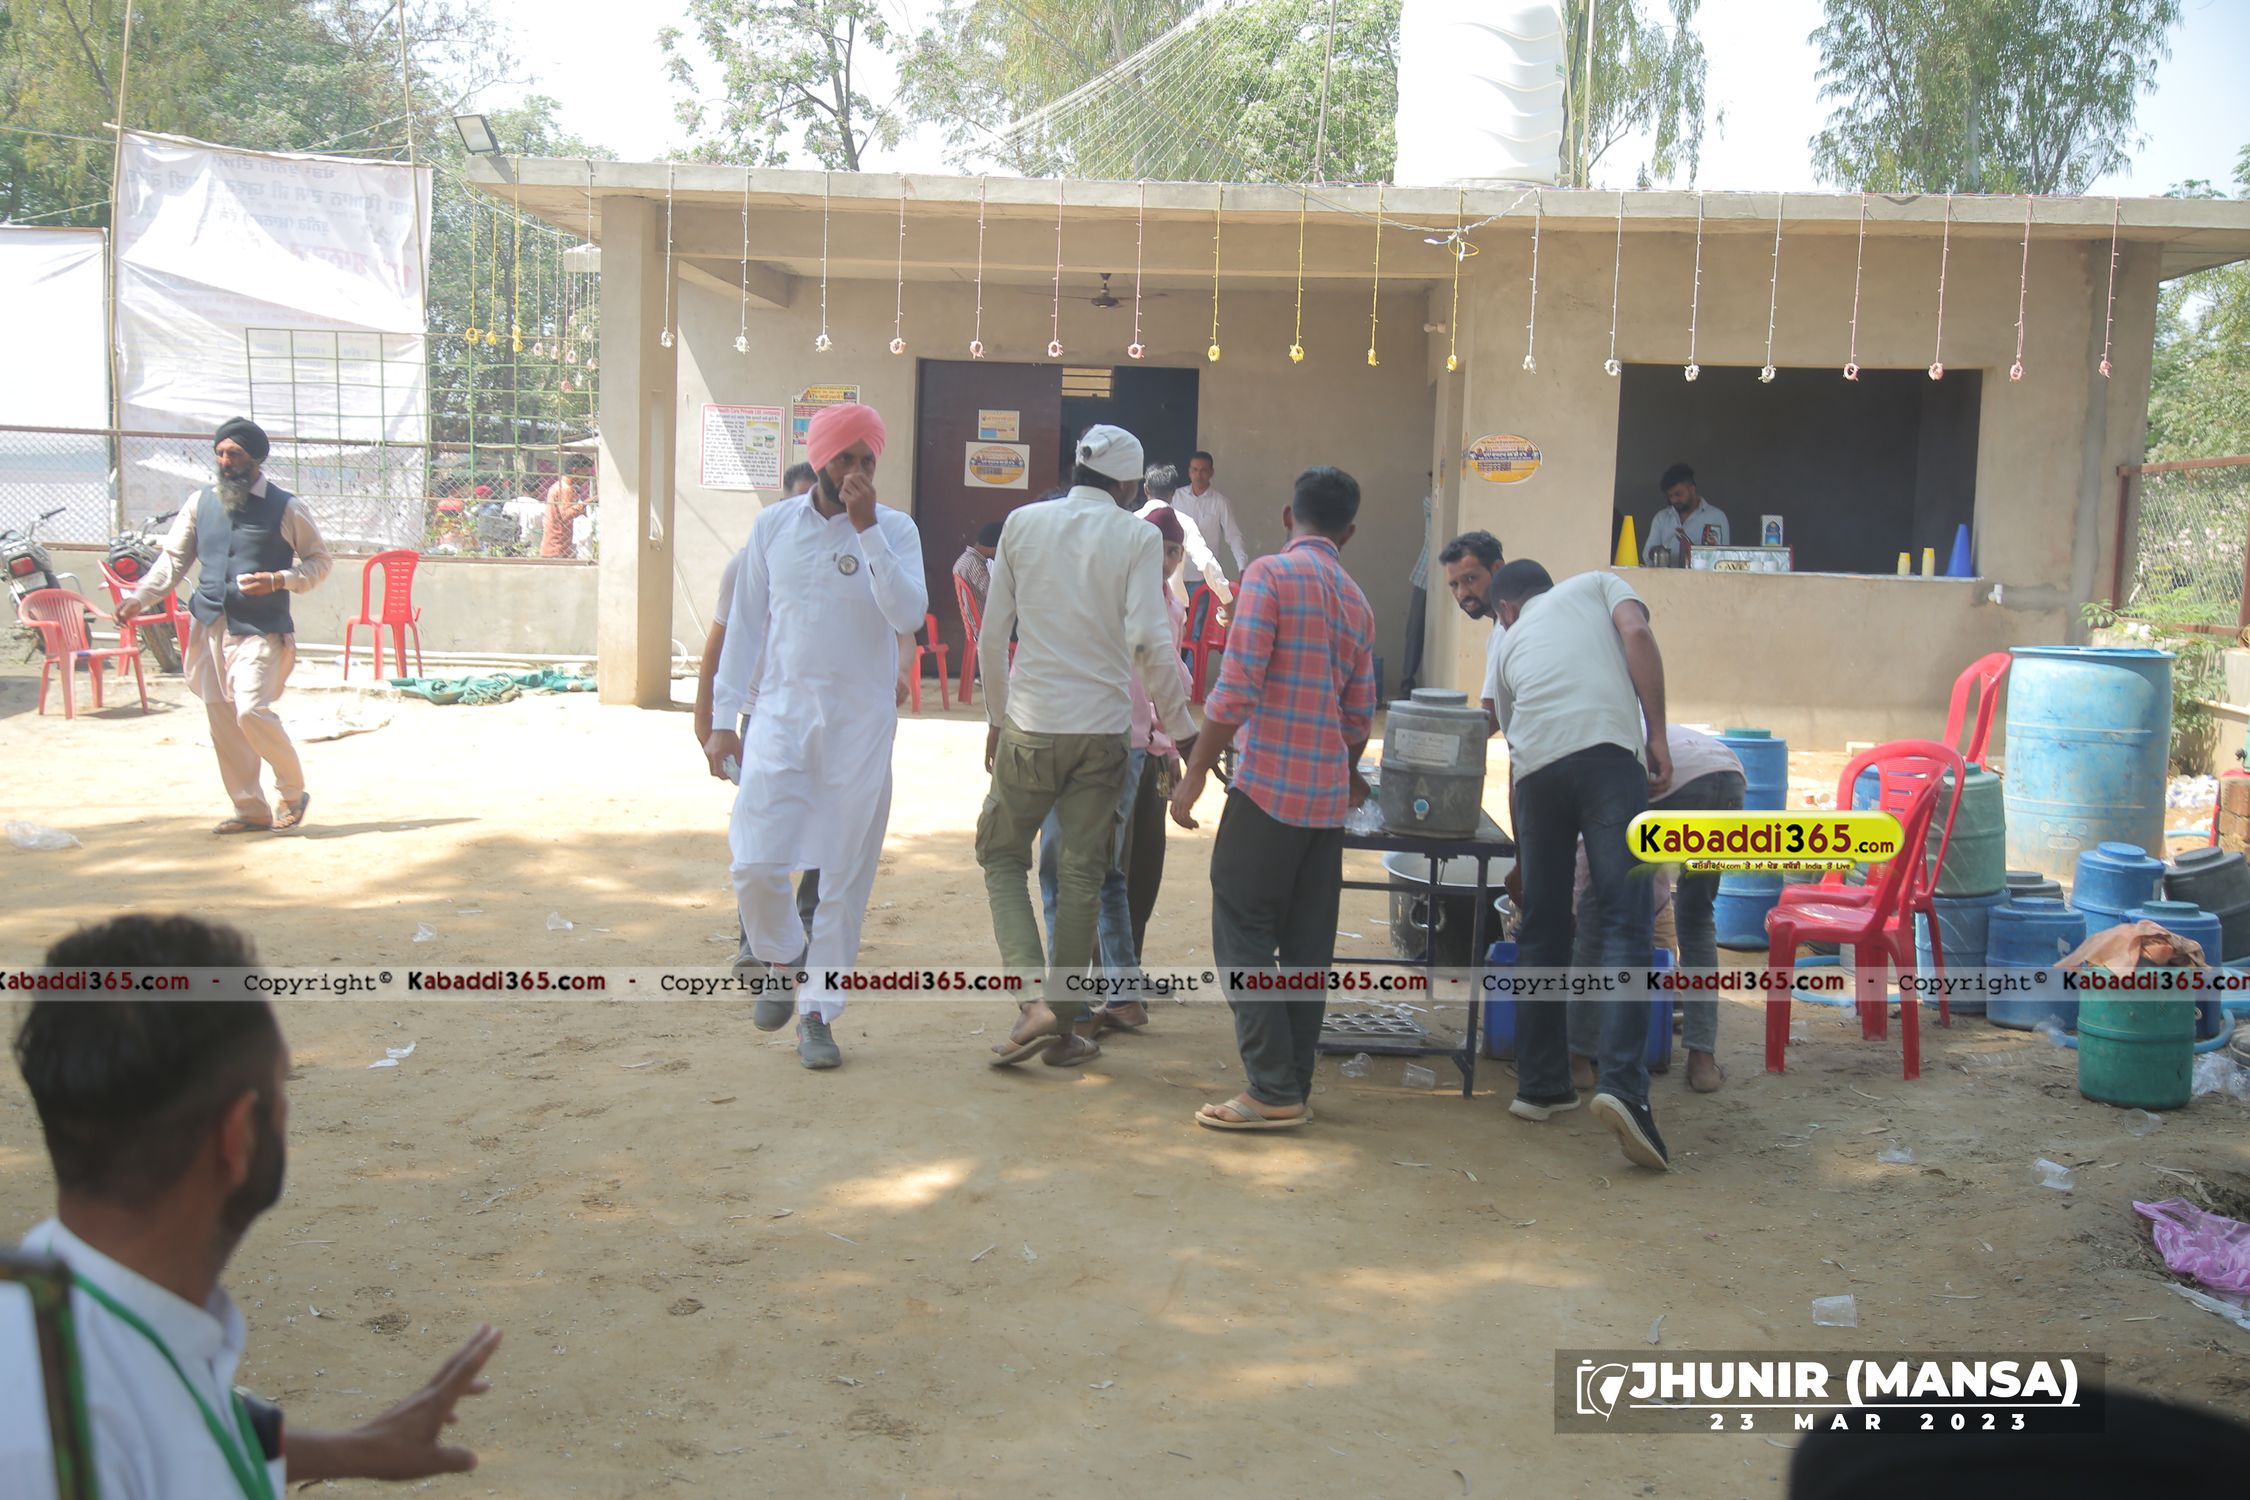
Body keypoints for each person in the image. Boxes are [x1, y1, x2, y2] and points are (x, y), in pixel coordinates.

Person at [0, 914, 502, 1497]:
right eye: (281, 1086)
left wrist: (359, 1449)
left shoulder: (65, 1305)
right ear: (237, 1138)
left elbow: (169, 1438)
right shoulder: (49, 1450)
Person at [704, 404, 927, 1070]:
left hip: (861, 730)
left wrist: (867, 531)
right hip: (780, 721)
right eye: (845, 458)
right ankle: (781, 957)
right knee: (754, 861)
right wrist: (722, 721)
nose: (856, 470)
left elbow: (908, 613)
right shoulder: (772, 526)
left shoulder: (896, 529)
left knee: (841, 880)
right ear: (820, 458)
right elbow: (744, 629)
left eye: (867, 460)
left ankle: (817, 1015)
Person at [977, 424, 1196, 1069]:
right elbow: (1150, 644)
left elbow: (993, 636)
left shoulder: (1022, 524)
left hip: (1031, 723)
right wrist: (1184, 732)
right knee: (1082, 874)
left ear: (1077, 470)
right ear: (1128, 485)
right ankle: (1063, 1023)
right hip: (1103, 733)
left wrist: (996, 717)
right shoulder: (1137, 537)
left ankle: (1032, 1002)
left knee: (1002, 856)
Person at [1171, 467, 1376, 1131]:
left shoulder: (1270, 575)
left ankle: (1271, 1087)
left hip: (1266, 791)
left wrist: (1195, 772)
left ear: (1290, 516)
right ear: (1348, 532)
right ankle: (1293, 1083)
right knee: (1307, 946)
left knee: (1243, 928)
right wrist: (1343, 773)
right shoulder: (1357, 602)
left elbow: (1235, 687)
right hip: (1324, 803)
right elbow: (1358, 717)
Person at [1486, 558, 1675, 1170]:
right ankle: (1623, 1088)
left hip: (1538, 776)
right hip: (1607, 757)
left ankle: (1540, 1086)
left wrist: (1524, 855)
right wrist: (1657, 734)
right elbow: (1637, 632)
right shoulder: (1597, 583)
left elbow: (1515, 745)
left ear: (1506, 608)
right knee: (1625, 920)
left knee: (1543, 924)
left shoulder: (1508, 643)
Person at [118, 417, 331, 835]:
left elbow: (319, 562)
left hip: (260, 629)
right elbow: (173, 561)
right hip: (210, 624)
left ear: (256, 459)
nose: (225, 461)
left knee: (250, 710)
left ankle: (292, 793)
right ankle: (250, 811)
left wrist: (279, 579)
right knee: (223, 721)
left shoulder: (286, 507)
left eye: (234, 453)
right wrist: (139, 597)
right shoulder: (200, 503)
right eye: (219, 453)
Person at [1033, 506, 1195, 1024]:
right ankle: (1116, 990)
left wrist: (1174, 747)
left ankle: (1080, 1000)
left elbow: (1166, 677)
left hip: (1112, 743)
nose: (1164, 560)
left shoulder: (1151, 602)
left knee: (1078, 871)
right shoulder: (1126, 594)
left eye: (1172, 552)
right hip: (1121, 742)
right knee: (1103, 870)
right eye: (1158, 549)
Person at [695, 463, 825, 972]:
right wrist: (710, 722)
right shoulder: (748, 563)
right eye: (796, 502)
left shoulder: (840, 561)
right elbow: (718, 644)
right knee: (762, 832)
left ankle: (809, 933)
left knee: (825, 826)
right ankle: (754, 943)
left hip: (824, 721)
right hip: (763, 716)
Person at [1568, 725, 1745, 1094]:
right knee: (1697, 918)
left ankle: (1577, 1060)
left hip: (1671, 785)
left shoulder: (1595, 747)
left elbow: (1589, 860)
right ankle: (1702, 1063)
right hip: (1728, 779)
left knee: (1595, 916)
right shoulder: (1642, 728)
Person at [1436, 530, 1506, 734]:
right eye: (1454, 585)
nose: (1462, 593)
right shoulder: (1503, 623)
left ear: (1497, 569)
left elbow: (1491, 718)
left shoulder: (1506, 627)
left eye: (1470, 579)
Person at [1138, 464, 1232, 612]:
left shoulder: (1131, 521)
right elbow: (1206, 561)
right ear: (1173, 493)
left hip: (1135, 607)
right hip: (1171, 610)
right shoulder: (1184, 522)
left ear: (1146, 489)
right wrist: (1226, 598)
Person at [1174, 451, 1251, 585]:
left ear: (1211, 472)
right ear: (1189, 472)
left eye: (1203, 471)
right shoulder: (1176, 497)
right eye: (1195, 470)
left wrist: (1242, 567)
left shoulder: (1220, 503)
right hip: (1176, 576)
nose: (1199, 475)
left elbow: (1234, 536)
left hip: (1206, 578)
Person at [1642, 462, 1729, 568]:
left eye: (1678, 494)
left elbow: (1722, 560)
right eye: (1670, 496)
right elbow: (1646, 556)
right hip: (1665, 577)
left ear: (1692, 489)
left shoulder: (1716, 517)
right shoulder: (1661, 518)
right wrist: (1656, 552)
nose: (1674, 500)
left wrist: (1691, 549)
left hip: (1702, 578)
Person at [1400, 488, 1434, 694]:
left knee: (1416, 633)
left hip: (1430, 578)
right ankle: (1407, 684)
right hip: (1424, 577)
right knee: (1414, 632)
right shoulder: (1430, 502)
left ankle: (1407, 683)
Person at [953, 520, 1003, 615]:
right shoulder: (974, 564)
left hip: (977, 617)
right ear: (993, 547)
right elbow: (995, 594)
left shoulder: (966, 558)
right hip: (984, 619)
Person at [541, 475, 586, 559]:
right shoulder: (566, 489)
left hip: (553, 543)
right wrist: (584, 504)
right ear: (575, 471)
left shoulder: (557, 485)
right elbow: (566, 515)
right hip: (558, 545)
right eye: (585, 475)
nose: (586, 479)